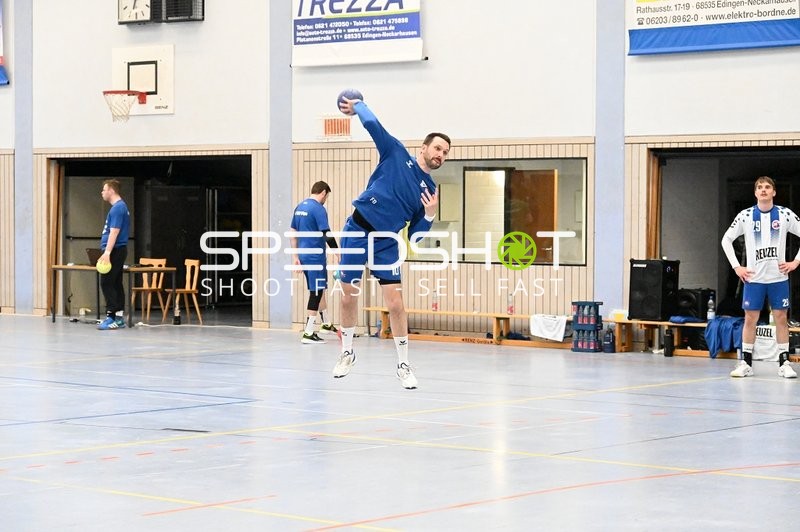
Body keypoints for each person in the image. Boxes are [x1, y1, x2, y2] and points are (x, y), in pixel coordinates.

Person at [333, 96, 450, 389]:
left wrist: (429, 214)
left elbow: (416, 237)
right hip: (357, 230)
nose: (441, 155)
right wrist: (358, 106)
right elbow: (374, 126)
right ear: (423, 148)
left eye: (445, 153)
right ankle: (347, 352)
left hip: (386, 243)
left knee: (396, 305)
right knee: (348, 296)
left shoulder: (429, 190)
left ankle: (403, 364)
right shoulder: (396, 152)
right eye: (437, 148)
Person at [721, 176, 800, 378]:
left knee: (781, 318)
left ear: (774, 192)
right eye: (759, 187)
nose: (763, 190)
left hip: (778, 278)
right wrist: (737, 267)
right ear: (755, 192)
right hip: (754, 279)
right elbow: (726, 240)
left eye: (767, 187)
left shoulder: (784, 214)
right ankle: (746, 363)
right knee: (750, 319)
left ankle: (784, 362)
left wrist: (795, 262)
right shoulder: (746, 215)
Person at [290, 180, 339, 344]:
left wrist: (295, 257)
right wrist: (337, 252)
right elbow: (326, 233)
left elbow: (292, 232)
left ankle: (326, 323)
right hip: (315, 257)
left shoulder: (299, 207)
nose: (326, 199)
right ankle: (308, 332)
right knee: (316, 292)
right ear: (323, 193)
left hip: (304, 256)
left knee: (320, 287)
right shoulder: (318, 209)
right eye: (327, 196)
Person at [97, 179, 131, 330]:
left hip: (115, 250)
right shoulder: (119, 207)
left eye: (104, 190)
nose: (102, 192)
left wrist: (107, 252)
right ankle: (118, 317)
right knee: (116, 283)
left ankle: (111, 317)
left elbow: (114, 231)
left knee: (107, 283)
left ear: (111, 191)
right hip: (116, 250)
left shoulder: (118, 208)